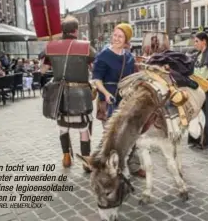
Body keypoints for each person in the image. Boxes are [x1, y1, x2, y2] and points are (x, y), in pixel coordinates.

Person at [40, 15, 95, 171]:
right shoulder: (85, 46)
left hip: (60, 94)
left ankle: (66, 157)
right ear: (76, 30)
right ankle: (86, 161)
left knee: (63, 127)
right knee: (84, 128)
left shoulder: (51, 46)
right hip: (81, 94)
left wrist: (49, 53)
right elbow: (94, 68)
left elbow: (42, 70)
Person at [92, 23, 146, 178]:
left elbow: (132, 77)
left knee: (132, 132)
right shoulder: (103, 55)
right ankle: (105, 165)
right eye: (115, 35)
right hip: (108, 100)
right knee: (111, 136)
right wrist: (106, 93)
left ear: (126, 40)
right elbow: (96, 79)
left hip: (125, 99)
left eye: (120, 36)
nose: (116, 38)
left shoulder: (129, 57)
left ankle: (134, 166)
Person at [187, 32, 208, 149]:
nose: (195, 44)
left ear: (204, 41)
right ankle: (195, 139)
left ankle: (206, 141)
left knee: (206, 114)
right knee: (195, 114)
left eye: (197, 41)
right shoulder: (199, 54)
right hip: (198, 89)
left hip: (207, 89)